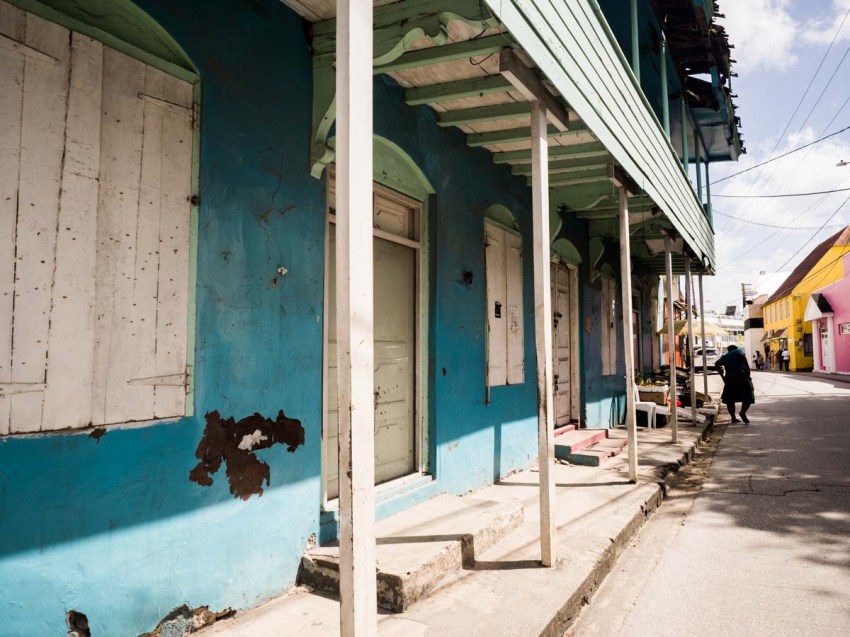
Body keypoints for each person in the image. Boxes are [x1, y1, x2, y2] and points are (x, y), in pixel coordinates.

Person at [715, 344, 754, 423]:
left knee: (730, 398)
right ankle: (742, 412)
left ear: (728, 350)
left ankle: (733, 417)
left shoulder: (725, 356)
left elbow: (716, 364)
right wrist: (748, 370)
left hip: (730, 378)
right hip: (741, 375)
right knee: (748, 395)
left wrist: (722, 375)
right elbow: (743, 357)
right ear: (736, 348)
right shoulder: (737, 351)